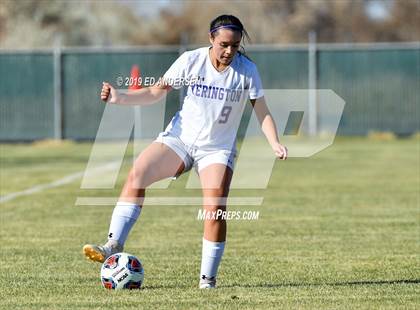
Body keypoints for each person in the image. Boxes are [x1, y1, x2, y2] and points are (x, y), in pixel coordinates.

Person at [83, 14, 287, 289]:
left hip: (216, 150)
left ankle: (207, 281)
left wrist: (274, 142)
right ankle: (113, 245)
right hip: (180, 139)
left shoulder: (246, 71)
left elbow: (261, 111)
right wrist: (119, 97)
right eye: (224, 44)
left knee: (214, 208)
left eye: (235, 46)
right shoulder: (191, 61)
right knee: (137, 174)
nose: (229, 51)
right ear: (211, 38)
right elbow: (156, 93)